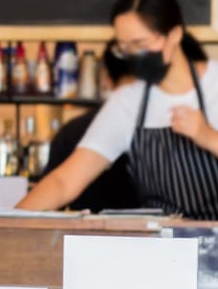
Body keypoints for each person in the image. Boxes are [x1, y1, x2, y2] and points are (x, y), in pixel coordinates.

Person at [18, 0, 218, 219]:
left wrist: (209, 137)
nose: (133, 54)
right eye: (124, 47)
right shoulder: (128, 102)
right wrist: (4, 223)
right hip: (162, 253)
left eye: (141, 43)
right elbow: (65, 181)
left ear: (175, 35)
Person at [39, 49, 141, 212]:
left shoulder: (73, 130)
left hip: (82, 233)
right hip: (150, 233)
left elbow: (55, 193)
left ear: (106, 80)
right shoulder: (163, 127)